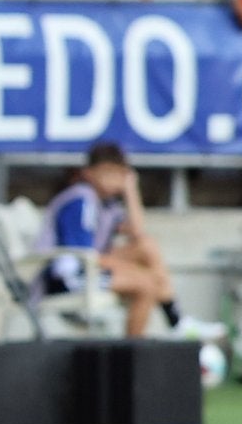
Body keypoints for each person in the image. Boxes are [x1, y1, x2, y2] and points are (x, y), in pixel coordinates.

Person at [31, 142, 225, 340]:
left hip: (90, 269)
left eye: (118, 174)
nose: (112, 179)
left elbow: (139, 232)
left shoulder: (108, 204)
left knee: (146, 247)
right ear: (89, 173)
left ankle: (177, 323)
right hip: (65, 279)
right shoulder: (80, 199)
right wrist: (135, 272)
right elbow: (83, 256)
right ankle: (132, 351)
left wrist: (131, 190)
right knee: (147, 283)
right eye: (107, 172)